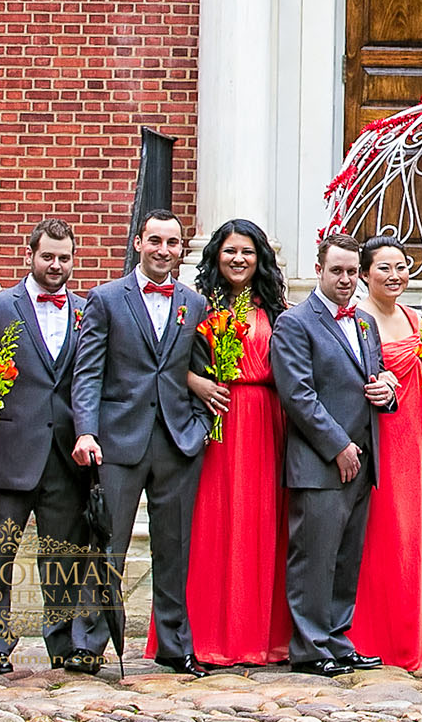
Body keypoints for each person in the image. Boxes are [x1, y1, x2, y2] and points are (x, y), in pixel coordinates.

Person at [145, 219, 293, 667]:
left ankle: (259, 636)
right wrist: (198, 383)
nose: (238, 259)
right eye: (230, 251)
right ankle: (204, 634)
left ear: (260, 258)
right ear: (217, 256)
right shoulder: (195, 306)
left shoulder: (277, 310)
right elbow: (164, 361)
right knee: (209, 528)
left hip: (266, 422)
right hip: (212, 423)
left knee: (261, 525)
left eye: (247, 252)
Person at [71, 210, 212, 675]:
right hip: (118, 441)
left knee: (174, 548)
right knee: (105, 546)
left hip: (177, 441)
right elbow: (88, 372)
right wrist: (86, 430)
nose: (163, 250)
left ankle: (175, 645)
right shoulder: (106, 299)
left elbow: (202, 372)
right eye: (155, 241)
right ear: (138, 243)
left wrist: (198, 426)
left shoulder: (194, 303)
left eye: (172, 243)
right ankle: (88, 644)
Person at [270, 233, 400, 677]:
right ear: (320, 270)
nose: (345, 279)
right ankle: (309, 648)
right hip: (320, 463)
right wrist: (338, 446)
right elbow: (298, 396)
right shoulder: (295, 323)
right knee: (314, 559)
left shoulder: (363, 322)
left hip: (364, 460)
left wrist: (387, 392)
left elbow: (375, 377)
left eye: (350, 272)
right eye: (336, 271)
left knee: (346, 560)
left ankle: (338, 640)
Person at [0, 219, 101, 674]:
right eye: (47, 256)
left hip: (66, 453)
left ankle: (64, 643)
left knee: (62, 556)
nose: (56, 265)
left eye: (64, 257)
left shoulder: (89, 308)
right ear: (30, 255)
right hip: (10, 447)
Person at [348, 235, 422, 670]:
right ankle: (375, 636)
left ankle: (415, 634)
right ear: (365, 274)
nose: (395, 275)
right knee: (383, 533)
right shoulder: (356, 319)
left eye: (402, 266)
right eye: (384, 268)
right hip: (380, 438)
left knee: (416, 534)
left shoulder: (413, 316)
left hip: (416, 439)